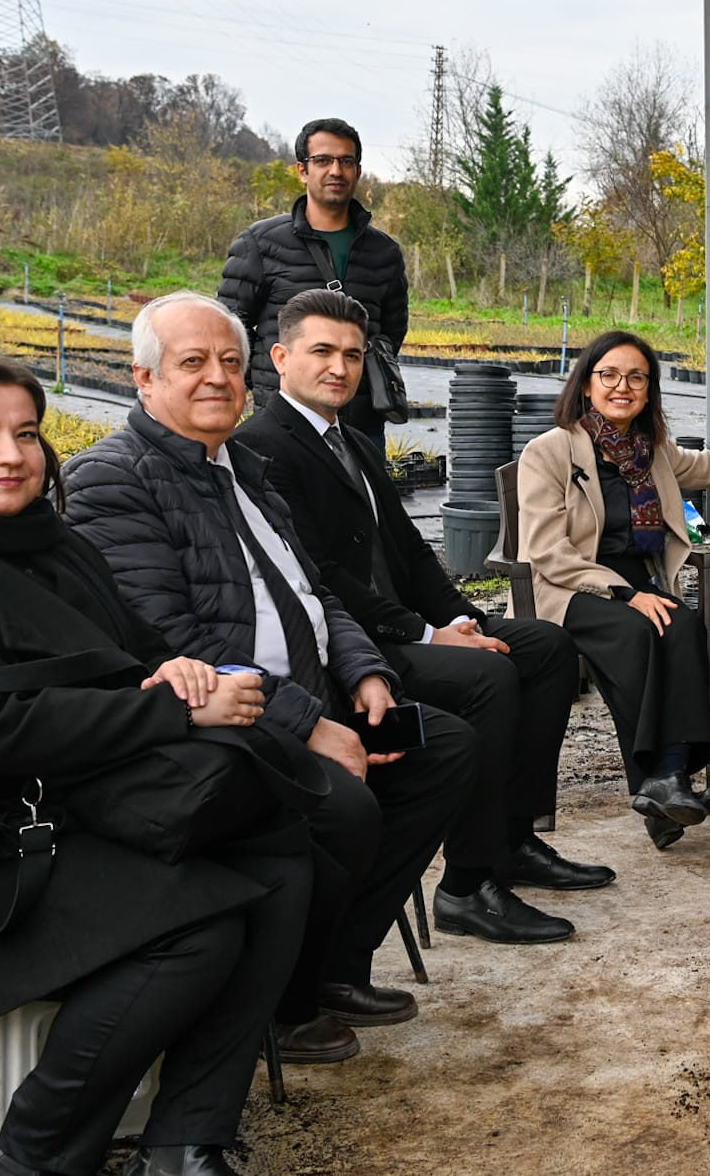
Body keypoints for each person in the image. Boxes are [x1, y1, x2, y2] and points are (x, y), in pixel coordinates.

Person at [0, 352, 312, 1176]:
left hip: (50, 807)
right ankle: (35, 1156)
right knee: (197, 929)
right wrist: (173, 706)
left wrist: (182, 670)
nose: (11, 454)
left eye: (26, 432)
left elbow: (135, 648)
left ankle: (185, 1142)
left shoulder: (54, 545)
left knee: (280, 857)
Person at [64, 292, 475, 1065]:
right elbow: (169, 639)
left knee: (443, 745)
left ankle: (334, 966)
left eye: (229, 362)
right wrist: (307, 723)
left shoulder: (245, 467)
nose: (218, 378)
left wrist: (365, 671)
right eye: (193, 363)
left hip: (309, 693)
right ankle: (279, 1002)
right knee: (344, 805)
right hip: (226, 720)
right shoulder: (114, 480)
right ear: (143, 379)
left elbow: (315, 590)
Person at [234, 289, 610, 941]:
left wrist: (464, 620)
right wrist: (429, 634)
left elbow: (408, 550)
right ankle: (468, 884)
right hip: (347, 648)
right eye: (322, 351)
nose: (339, 368)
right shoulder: (263, 447)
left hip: (403, 627)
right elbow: (322, 575)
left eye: (352, 354)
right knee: (487, 679)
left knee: (545, 646)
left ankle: (513, 839)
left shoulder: (347, 437)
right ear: (280, 357)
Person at [516, 331, 710, 849]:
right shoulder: (549, 451)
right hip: (567, 588)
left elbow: (706, 467)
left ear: (649, 389)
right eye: (609, 375)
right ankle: (660, 786)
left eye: (636, 377)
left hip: (637, 587)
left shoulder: (651, 451)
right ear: (587, 385)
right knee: (641, 632)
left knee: (681, 625)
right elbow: (546, 550)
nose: (623, 386)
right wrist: (622, 593)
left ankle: (670, 778)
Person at [220, 117, 409, 451]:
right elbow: (228, 328)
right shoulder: (260, 244)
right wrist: (264, 382)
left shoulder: (384, 252)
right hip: (283, 423)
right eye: (322, 160)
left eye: (345, 161)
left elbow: (390, 332)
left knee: (361, 504)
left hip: (362, 425)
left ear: (358, 172)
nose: (335, 171)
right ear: (302, 170)